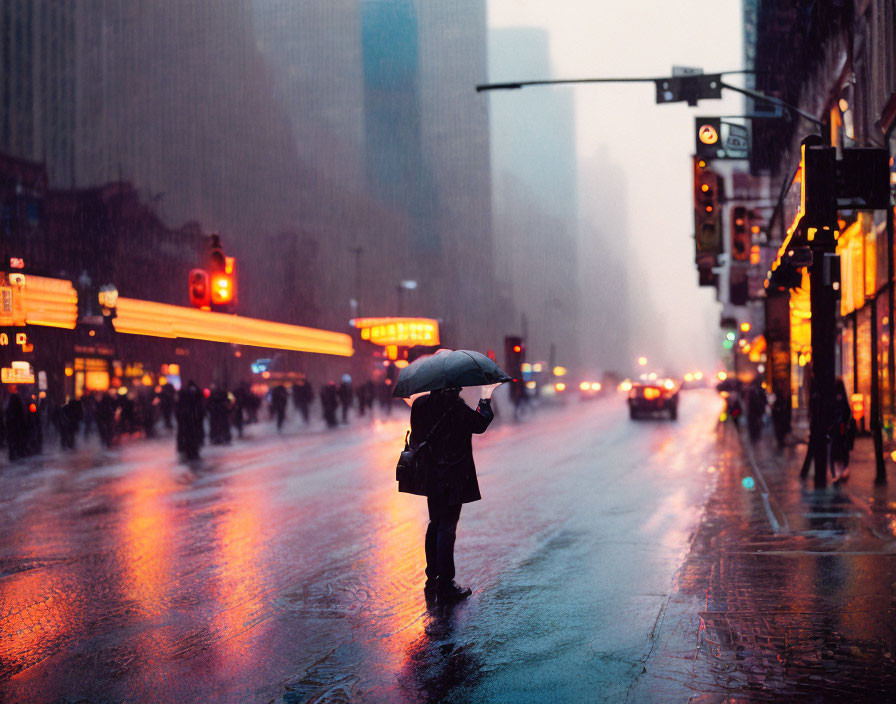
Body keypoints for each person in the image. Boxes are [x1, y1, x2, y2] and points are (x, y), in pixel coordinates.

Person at [408, 382, 499, 602]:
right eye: (457, 386)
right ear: (451, 387)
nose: (460, 389)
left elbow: (416, 437)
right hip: (452, 474)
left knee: (435, 524)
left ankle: (432, 580)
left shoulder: (420, 405)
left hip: (429, 474)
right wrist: (485, 397)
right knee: (447, 526)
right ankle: (445, 584)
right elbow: (480, 423)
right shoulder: (455, 408)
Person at [829, 378, 856, 482]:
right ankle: (841, 471)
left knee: (836, 450)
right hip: (840, 428)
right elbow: (847, 411)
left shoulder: (835, 398)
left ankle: (837, 472)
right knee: (841, 449)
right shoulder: (841, 398)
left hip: (839, 428)